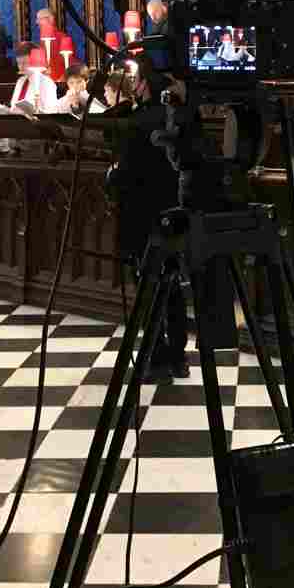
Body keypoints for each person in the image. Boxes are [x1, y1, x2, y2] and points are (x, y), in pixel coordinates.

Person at [109, 55, 186, 380]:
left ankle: (156, 356)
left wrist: (113, 176)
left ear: (144, 85)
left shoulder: (137, 120)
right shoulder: (177, 115)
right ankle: (178, 356)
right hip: (174, 210)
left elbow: (126, 172)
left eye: (137, 80)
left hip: (142, 214)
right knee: (173, 284)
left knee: (148, 285)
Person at [10, 43, 60, 113]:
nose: (21, 67)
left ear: (34, 61)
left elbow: (52, 111)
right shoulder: (20, 81)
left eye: (25, 63)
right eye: (19, 63)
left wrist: (37, 112)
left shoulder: (47, 83)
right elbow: (13, 105)